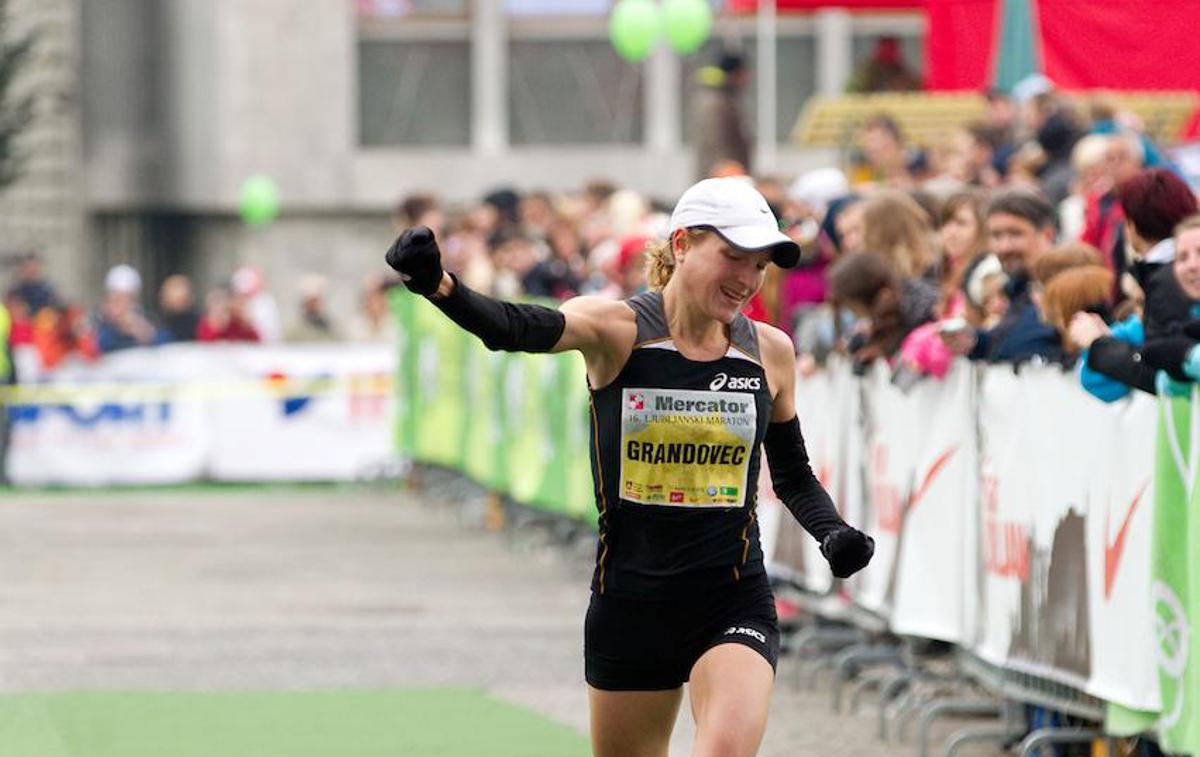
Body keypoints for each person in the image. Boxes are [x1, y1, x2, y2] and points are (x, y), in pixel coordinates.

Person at [385, 176, 874, 757]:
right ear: (684, 244)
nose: (747, 279)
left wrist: (833, 532)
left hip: (732, 595)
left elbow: (792, 474)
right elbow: (513, 327)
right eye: (734, 257)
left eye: (761, 264)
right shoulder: (616, 330)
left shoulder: (769, 351)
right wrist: (438, 285)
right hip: (631, 602)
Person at [692, 49, 751, 181]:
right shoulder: (716, 102)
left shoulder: (724, 98)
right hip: (721, 176)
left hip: (724, 175)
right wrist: (726, 171)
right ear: (736, 73)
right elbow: (715, 143)